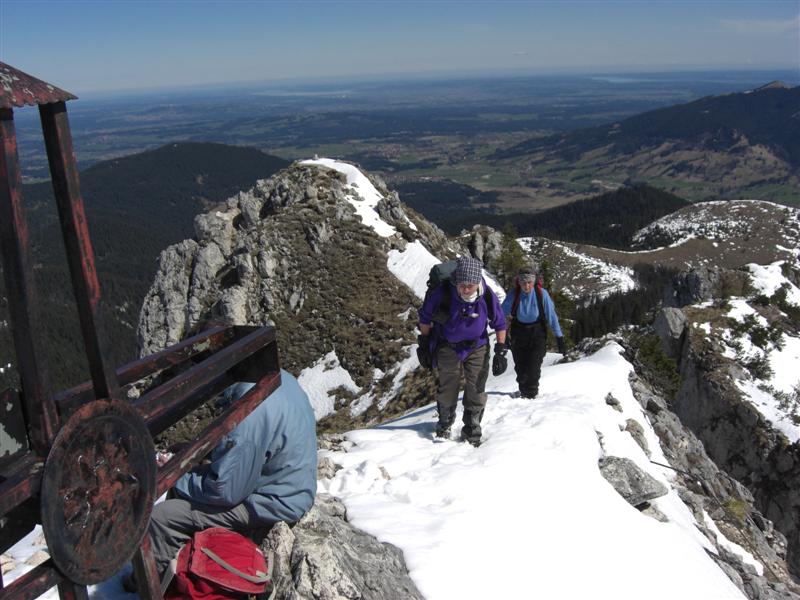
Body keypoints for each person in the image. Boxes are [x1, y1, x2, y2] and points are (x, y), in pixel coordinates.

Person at [144, 369, 317, 587]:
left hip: (273, 502)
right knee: (188, 487)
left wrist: (177, 475)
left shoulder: (249, 407)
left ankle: (153, 587)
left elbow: (225, 491)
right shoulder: (276, 376)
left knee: (163, 518)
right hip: (291, 485)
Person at [417, 256, 507, 446]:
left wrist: (500, 350)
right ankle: (444, 423)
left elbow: (499, 323)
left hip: (477, 346)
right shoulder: (443, 292)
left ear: (478, 283)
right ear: (456, 281)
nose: (466, 289)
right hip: (447, 346)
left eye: (471, 285)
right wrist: (424, 344)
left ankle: (472, 427)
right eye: (462, 285)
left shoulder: (485, 295)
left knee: (476, 386)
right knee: (448, 386)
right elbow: (425, 318)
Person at [501, 265, 566, 399]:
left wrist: (559, 337)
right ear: (519, 282)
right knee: (520, 366)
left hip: (537, 332)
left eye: (529, 282)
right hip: (518, 332)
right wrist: (503, 336)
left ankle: (531, 395)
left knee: (534, 366)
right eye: (523, 282)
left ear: (534, 281)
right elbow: (501, 314)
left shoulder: (542, 294)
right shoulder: (514, 294)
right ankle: (523, 392)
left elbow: (551, 316)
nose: (526, 286)